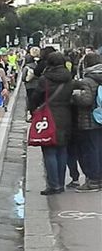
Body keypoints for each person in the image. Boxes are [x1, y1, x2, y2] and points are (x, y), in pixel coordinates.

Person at [29, 52, 73, 195]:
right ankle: (60, 183)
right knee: (62, 150)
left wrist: (32, 110)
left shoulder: (45, 79)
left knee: (49, 151)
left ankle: (53, 185)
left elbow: (36, 97)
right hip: (66, 115)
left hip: (48, 116)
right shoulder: (69, 78)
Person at [70, 52, 102, 192]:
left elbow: (86, 100)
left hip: (89, 120)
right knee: (99, 150)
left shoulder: (87, 81)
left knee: (90, 151)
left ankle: (93, 180)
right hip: (100, 118)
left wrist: (76, 96)